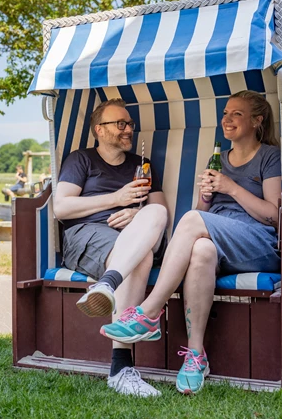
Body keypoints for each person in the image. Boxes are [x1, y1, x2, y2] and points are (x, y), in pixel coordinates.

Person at [100, 90, 281, 395]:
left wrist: (231, 188)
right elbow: (201, 215)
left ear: (257, 120)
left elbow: (273, 217)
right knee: (200, 249)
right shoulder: (218, 158)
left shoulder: (270, 156)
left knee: (191, 222)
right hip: (219, 241)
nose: (227, 119)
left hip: (257, 244)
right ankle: (196, 357)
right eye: (225, 113)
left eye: (236, 114)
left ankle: (149, 312)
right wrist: (207, 197)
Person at [54, 98, 169, 397]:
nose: (128, 129)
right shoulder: (81, 160)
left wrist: (136, 213)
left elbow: (160, 211)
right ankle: (121, 366)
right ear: (99, 130)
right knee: (139, 254)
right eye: (120, 124)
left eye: (129, 124)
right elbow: (62, 207)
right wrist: (116, 199)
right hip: (88, 233)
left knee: (154, 214)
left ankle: (108, 284)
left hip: (134, 233)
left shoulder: (141, 165)